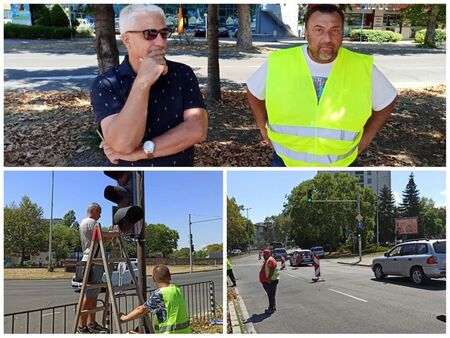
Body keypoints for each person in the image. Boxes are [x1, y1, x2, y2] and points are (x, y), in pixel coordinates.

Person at [247, 4, 397, 167]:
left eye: (335, 30)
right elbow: (254, 92)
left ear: (342, 33)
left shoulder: (362, 66)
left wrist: (367, 138)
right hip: (285, 162)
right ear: (306, 33)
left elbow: (387, 101)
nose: (327, 38)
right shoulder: (279, 62)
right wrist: (262, 127)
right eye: (318, 30)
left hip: (342, 164)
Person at [91, 4, 207, 166]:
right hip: (133, 177)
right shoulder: (106, 83)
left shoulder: (182, 73)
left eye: (164, 33)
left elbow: (196, 130)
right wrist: (142, 82)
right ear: (127, 40)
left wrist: (140, 153)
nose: (161, 42)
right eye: (150, 34)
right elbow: (122, 143)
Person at [120, 264, 191, 333]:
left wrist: (124, 318)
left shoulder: (160, 294)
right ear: (169, 276)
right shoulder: (176, 289)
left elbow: (141, 310)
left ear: (153, 278)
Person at [77, 203, 109, 334]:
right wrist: (115, 234)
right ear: (94, 211)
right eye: (99, 212)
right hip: (94, 261)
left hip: (91, 259)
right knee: (90, 296)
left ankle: (91, 323)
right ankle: (82, 326)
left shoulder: (84, 223)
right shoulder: (93, 223)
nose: (100, 215)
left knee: (93, 295)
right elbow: (102, 239)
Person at [259, 249, 279, 314]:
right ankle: (273, 307)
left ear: (269, 254)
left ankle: (271, 308)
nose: (264, 256)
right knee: (271, 295)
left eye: (265, 255)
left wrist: (269, 278)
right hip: (269, 281)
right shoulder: (268, 260)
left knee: (271, 295)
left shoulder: (270, 260)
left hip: (271, 281)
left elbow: (272, 269)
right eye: (264, 255)